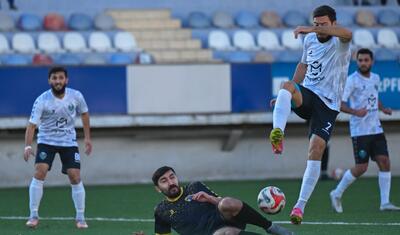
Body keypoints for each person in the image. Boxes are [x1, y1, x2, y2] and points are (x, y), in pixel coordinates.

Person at [268, 5, 352, 225]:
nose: (318, 28)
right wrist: (287, 96)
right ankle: (277, 133)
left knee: (316, 149)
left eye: (323, 24)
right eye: (316, 24)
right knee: (286, 85)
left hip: (328, 105)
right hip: (310, 94)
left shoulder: (341, 43)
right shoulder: (310, 40)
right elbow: (303, 66)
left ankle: (299, 207)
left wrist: (310, 29)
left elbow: (348, 33)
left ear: (333, 23)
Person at [329, 48, 400, 213]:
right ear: (357, 62)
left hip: (376, 128)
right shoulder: (352, 80)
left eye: (366, 60)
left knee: (385, 162)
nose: (363, 63)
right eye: (360, 60)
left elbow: (373, 96)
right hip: (360, 131)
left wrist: (383, 108)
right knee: (361, 168)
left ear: (372, 62)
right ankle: (336, 193)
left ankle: (385, 202)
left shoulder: (375, 78)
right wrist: (355, 112)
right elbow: (340, 104)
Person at [23, 66, 92, 229]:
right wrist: (27, 146)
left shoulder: (76, 96)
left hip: (68, 142)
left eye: (61, 78)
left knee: (75, 176)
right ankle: (33, 215)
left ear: (66, 80)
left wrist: (88, 138)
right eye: (54, 78)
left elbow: (85, 114)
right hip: (47, 141)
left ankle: (80, 217)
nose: (58, 81)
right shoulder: (42, 100)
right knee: (40, 172)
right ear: (49, 81)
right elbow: (32, 125)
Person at [134, 166, 295, 235]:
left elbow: (223, 202)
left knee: (227, 203)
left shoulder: (195, 186)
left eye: (172, 177)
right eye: (164, 181)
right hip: (211, 233)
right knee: (226, 234)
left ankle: (270, 227)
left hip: (224, 219)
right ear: (158, 188)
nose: (171, 182)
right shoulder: (161, 210)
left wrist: (210, 198)